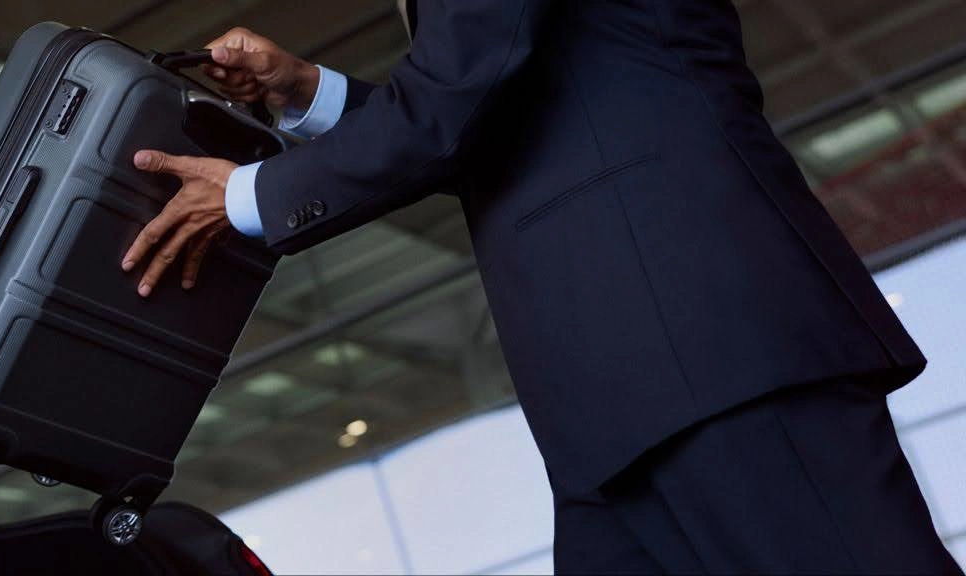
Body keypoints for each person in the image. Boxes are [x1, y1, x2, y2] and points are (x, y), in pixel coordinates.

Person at [121, 0, 962, 573]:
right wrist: (310, 93)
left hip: (705, 348)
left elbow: (455, 101)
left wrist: (249, 196)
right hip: (612, 398)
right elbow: (495, 118)